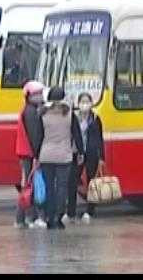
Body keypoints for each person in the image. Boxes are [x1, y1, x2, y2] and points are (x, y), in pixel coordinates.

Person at [38, 87, 84, 229]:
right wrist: (81, 152)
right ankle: (59, 217)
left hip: (46, 155)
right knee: (62, 187)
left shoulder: (42, 114)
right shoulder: (69, 114)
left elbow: (38, 136)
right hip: (64, 155)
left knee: (49, 187)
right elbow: (77, 134)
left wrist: (36, 154)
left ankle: (49, 217)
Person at [67, 92, 105, 224]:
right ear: (78, 103)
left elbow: (100, 138)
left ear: (91, 103)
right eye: (82, 101)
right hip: (76, 153)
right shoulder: (74, 118)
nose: (84, 104)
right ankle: (70, 212)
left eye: (87, 101)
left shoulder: (95, 118)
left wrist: (102, 157)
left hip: (91, 154)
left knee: (91, 183)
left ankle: (90, 211)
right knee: (72, 182)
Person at [14, 80, 47, 229]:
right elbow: (35, 136)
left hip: (26, 153)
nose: (40, 96)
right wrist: (37, 156)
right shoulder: (31, 112)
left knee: (29, 185)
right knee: (30, 186)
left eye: (40, 93)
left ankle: (26, 218)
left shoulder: (30, 110)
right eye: (36, 94)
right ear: (28, 96)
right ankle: (23, 218)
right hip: (30, 154)